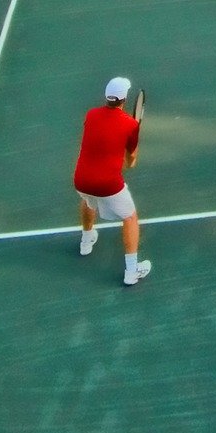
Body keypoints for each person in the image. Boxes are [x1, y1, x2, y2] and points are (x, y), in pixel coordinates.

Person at [73, 76, 151, 286]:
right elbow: (131, 159)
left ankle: (86, 240)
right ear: (125, 100)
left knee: (89, 201)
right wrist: (132, 157)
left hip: (81, 179)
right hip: (107, 184)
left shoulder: (91, 115)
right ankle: (132, 271)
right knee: (130, 217)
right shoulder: (130, 125)